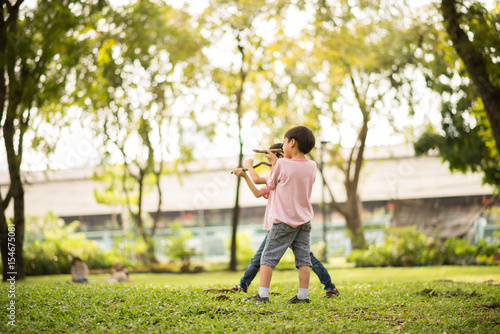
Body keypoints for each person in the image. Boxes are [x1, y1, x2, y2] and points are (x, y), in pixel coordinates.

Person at [231, 143, 339, 298]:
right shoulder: (274, 177)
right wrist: (245, 175)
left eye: (272, 158)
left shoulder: (281, 174)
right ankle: (243, 285)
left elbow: (259, 179)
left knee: (269, 258)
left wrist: (249, 166)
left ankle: (257, 292)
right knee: (298, 259)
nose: (269, 161)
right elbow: (257, 191)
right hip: (283, 225)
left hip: (282, 224)